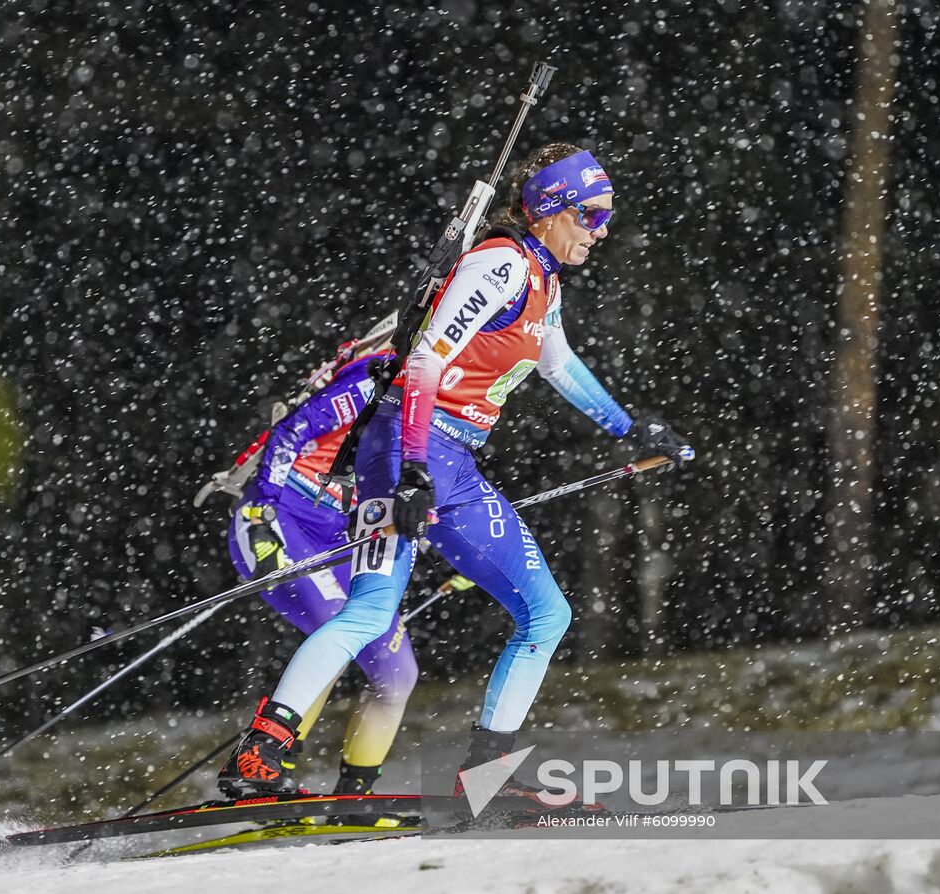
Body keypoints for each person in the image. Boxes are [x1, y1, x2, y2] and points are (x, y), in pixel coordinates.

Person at [217, 143, 690, 800]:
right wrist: (412, 467)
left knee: (404, 610)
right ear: (548, 209)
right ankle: (293, 753)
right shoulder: (500, 265)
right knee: (523, 614)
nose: (601, 228)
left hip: (429, 454)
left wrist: (629, 427)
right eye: (589, 213)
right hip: (422, 448)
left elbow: (558, 365)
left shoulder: (542, 279)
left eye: (605, 214)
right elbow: (424, 361)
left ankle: (283, 750)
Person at [227, 344, 418, 799]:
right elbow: (293, 432)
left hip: (344, 537)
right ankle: (258, 767)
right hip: (285, 520)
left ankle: (354, 796)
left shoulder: (458, 405)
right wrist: (260, 517)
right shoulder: (383, 380)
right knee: (338, 631)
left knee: (398, 675)